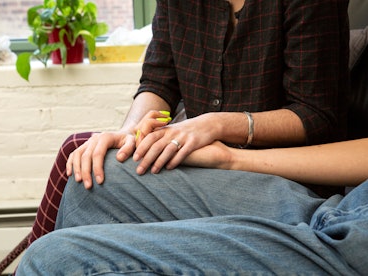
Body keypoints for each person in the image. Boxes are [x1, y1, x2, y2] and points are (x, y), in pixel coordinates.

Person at [28, 0, 350, 246]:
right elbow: (158, 80)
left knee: (101, 174)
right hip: (207, 162)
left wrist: (217, 124)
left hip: (283, 178)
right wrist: (127, 133)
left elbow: (315, 114)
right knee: (88, 152)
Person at [16, 137, 368, 275]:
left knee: (53, 259)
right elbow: (157, 79)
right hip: (349, 206)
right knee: (96, 175)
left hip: (350, 245)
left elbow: (315, 114)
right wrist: (226, 158)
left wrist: (228, 128)